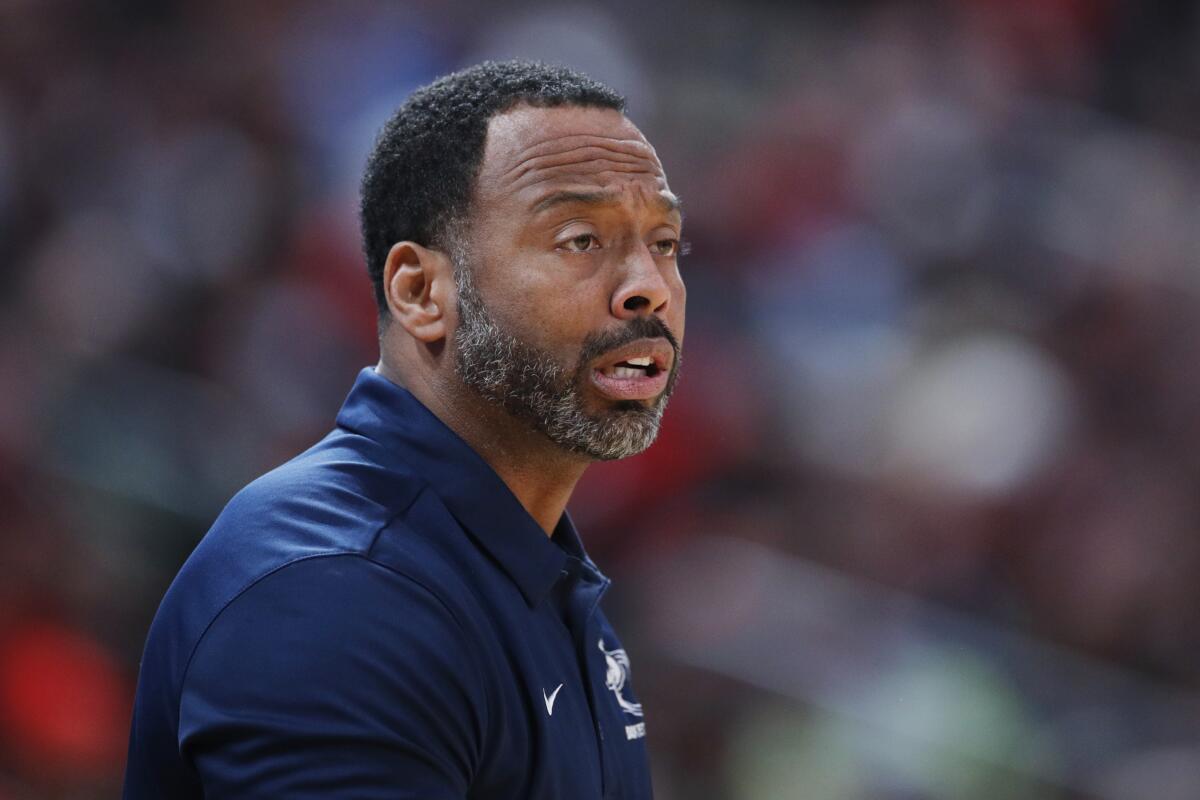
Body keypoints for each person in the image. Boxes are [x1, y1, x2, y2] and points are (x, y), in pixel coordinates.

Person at [123, 59, 686, 798]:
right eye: (580, 238)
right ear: (421, 292)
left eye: (666, 242)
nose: (647, 283)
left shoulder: (530, 582)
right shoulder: (339, 595)